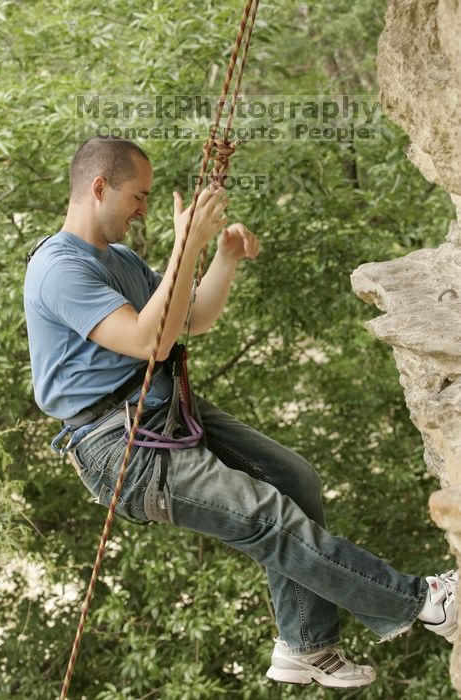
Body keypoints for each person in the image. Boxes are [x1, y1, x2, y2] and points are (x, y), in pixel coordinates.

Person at [24, 136, 458, 690]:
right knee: (264, 518)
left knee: (292, 478)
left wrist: (221, 257)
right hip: (119, 446)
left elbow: (190, 320)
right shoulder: (57, 267)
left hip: (163, 411)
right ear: (99, 187)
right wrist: (185, 247)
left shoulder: (123, 262)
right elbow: (146, 339)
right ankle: (423, 602)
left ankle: (305, 644)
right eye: (138, 196)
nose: (143, 210)